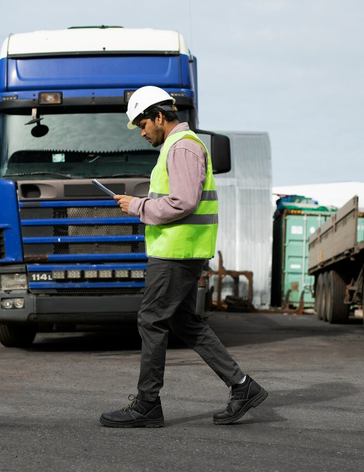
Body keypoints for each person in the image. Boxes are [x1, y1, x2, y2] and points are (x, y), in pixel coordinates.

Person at [99, 86, 267, 428]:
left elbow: (184, 202)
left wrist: (138, 206)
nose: (142, 131)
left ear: (160, 116)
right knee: (183, 322)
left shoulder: (183, 147)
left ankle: (147, 404)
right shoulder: (179, 147)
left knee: (151, 321)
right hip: (181, 250)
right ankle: (242, 386)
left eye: (143, 123)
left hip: (176, 253)